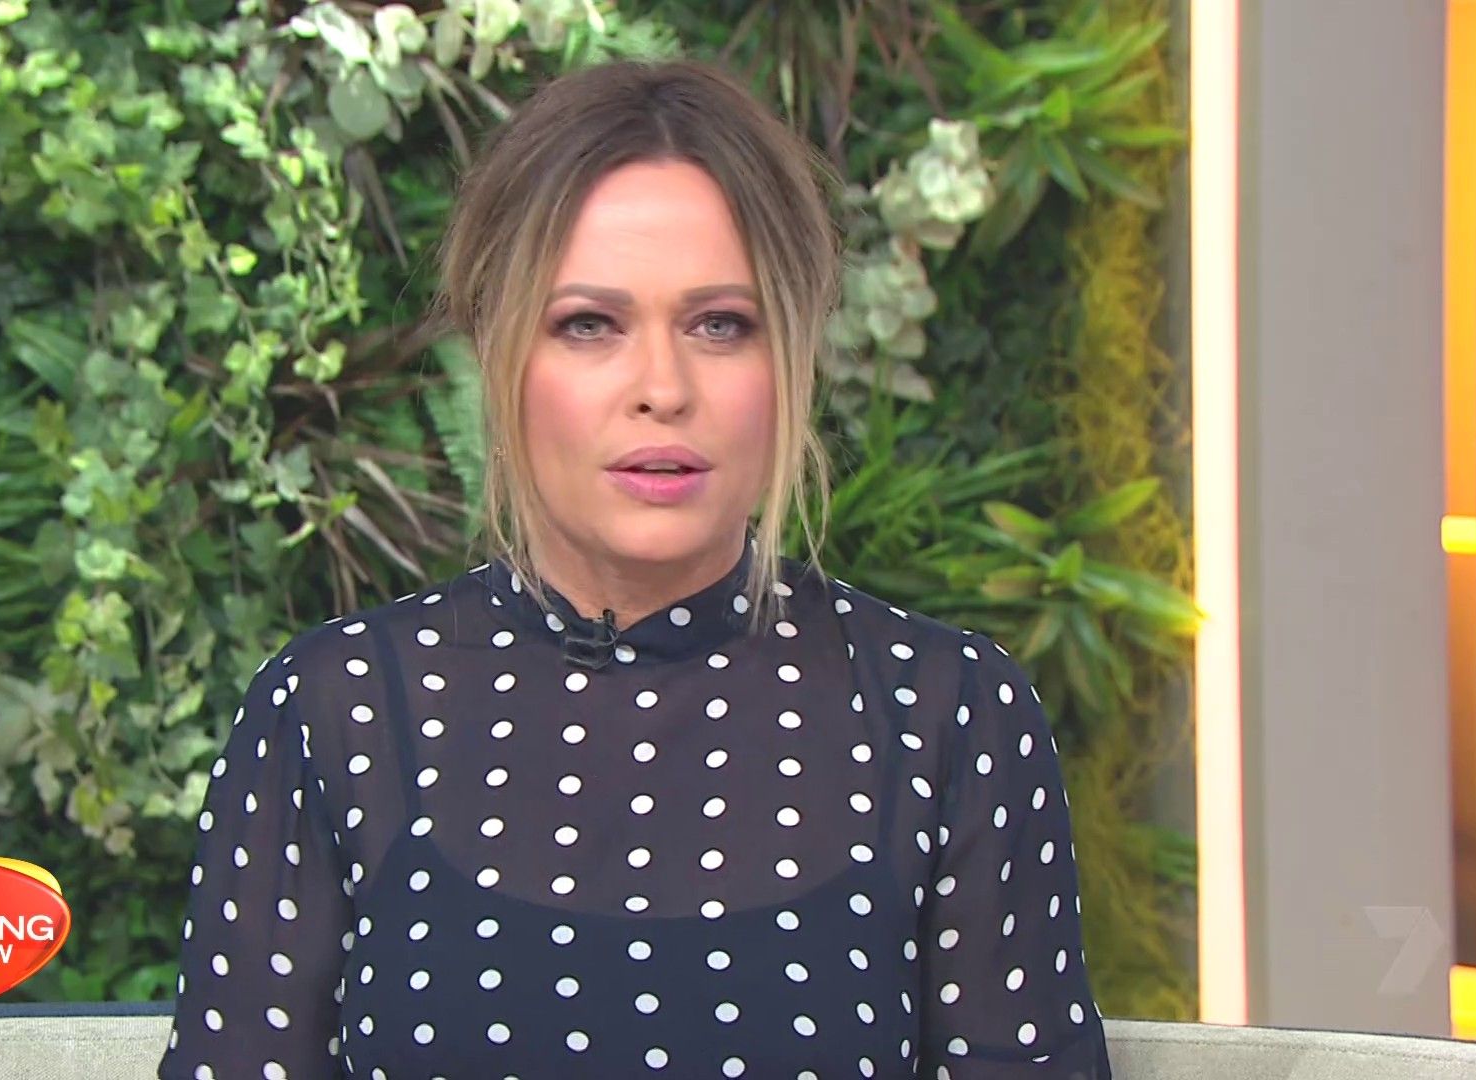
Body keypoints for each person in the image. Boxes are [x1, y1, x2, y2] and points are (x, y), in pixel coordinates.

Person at [158, 57, 1112, 1080]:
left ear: (793, 352)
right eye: (590, 324)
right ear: (494, 348)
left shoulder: (948, 714)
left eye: (720, 324)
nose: (663, 386)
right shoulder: (334, 712)